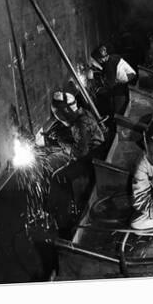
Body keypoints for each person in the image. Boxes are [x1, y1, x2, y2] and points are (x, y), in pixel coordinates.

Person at [46, 91, 106, 238]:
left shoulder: (80, 125)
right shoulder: (82, 113)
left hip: (93, 161)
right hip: (98, 153)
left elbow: (80, 153)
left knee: (58, 177)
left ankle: (65, 222)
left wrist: (61, 142)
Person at [89, 44, 136, 116]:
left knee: (116, 109)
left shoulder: (110, 66)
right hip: (129, 80)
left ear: (101, 59)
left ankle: (115, 118)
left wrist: (97, 90)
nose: (97, 61)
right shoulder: (112, 58)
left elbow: (110, 85)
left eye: (97, 59)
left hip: (124, 86)